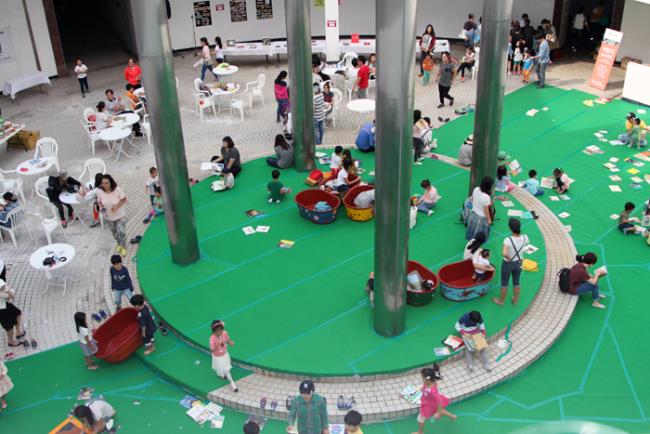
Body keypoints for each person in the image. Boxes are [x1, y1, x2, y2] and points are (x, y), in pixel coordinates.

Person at [493, 218, 529, 306]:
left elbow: (504, 253)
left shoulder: (508, 240)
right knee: (516, 282)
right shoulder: (525, 237)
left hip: (508, 264)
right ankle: (515, 300)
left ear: (510, 228)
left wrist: (509, 258)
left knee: (504, 283)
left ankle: (501, 301)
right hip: (519, 262)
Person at [411, 367, 456, 434]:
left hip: (429, 406)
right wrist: (421, 389)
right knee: (440, 410)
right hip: (431, 403)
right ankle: (453, 416)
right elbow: (425, 388)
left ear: (428, 380)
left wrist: (437, 413)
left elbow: (440, 402)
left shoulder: (433, 392)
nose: (422, 379)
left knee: (420, 418)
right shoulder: (428, 383)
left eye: (423, 378)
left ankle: (420, 432)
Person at [97, 174, 128, 256]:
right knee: (115, 233)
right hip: (108, 217)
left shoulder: (118, 190)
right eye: (103, 183)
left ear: (111, 183)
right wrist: (101, 208)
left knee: (121, 232)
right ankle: (119, 244)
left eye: (107, 183)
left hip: (120, 216)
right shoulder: (100, 192)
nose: (104, 185)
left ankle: (124, 247)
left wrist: (117, 206)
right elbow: (99, 202)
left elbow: (124, 199)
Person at [209, 320, 239, 392]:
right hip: (218, 357)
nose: (219, 331)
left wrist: (230, 342)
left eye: (220, 329)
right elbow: (212, 349)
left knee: (225, 368)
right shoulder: (212, 338)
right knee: (226, 370)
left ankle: (220, 374)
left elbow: (227, 340)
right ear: (213, 331)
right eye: (216, 330)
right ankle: (232, 382)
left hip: (225, 354)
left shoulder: (224, 333)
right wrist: (217, 345)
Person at [465, 176, 494, 241]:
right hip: (481, 218)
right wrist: (489, 220)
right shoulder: (486, 197)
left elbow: (473, 199)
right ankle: (477, 245)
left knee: (471, 232)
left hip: (473, 214)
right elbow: (486, 210)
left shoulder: (476, 189)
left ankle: (470, 242)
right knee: (480, 235)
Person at [0, 279, 24, 348]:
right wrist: (8, 291)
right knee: (9, 326)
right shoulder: (2, 293)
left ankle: (18, 333)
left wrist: (7, 290)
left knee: (18, 314)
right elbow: (10, 295)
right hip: (1, 309)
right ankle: (11, 342)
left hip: (5, 304)